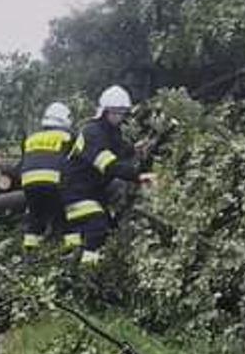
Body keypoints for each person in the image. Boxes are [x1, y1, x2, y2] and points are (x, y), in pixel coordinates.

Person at [63, 86, 152, 267]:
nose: (121, 117)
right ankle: (88, 272)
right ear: (106, 111)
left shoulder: (111, 131)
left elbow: (120, 149)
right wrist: (138, 176)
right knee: (98, 225)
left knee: (109, 227)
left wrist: (136, 148)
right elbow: (109, 166)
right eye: (118, 113)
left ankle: (77, 263)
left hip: (93, 192)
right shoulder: (92, 133)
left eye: (123, 113)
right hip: (74, 193)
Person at [16, 102, 75, 251]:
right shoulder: (68, 137)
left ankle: (29, 250)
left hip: (28, 182)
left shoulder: (31, 138)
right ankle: (71, 249)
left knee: (35, 215)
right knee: (67, 214)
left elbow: (25, 162)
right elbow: (78, 161)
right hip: (54, 181)